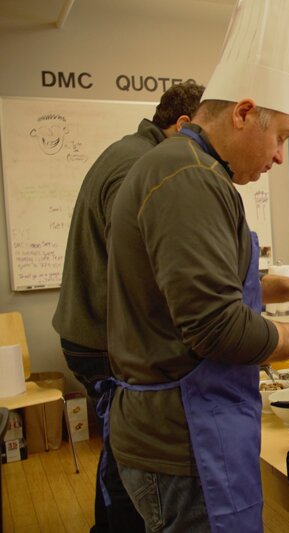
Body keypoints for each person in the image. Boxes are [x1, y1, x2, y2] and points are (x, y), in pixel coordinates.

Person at [104, 1, 289, 531]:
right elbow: (215, 324)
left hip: (185, 428)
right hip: (184, 438)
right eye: (282, 135)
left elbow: (210, 285)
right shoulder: (190, 179)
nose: (282, 157)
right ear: (243, 112)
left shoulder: (184, 167)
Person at [52, 80, 205, 533]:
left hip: (93, 333)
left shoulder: (129, 151)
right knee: (125, 456)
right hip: (102, 341)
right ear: (181, 125)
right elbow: (144, 268)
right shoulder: (144, 165)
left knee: (122, 453)